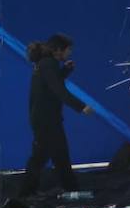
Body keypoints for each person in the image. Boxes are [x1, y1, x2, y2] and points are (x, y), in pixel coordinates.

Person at [20, 34, 93, 197]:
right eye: (68, 50)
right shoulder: (48, 64)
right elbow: (59, 90)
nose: (69, 54)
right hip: (47, 120)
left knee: (46, 156)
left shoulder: (46, 64)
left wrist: (65, 71)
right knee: (56, 157)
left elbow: (52, 84)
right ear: (58, 50)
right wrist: (81, 107)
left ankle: (28, 191)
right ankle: (70, 191)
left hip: (43, 119)